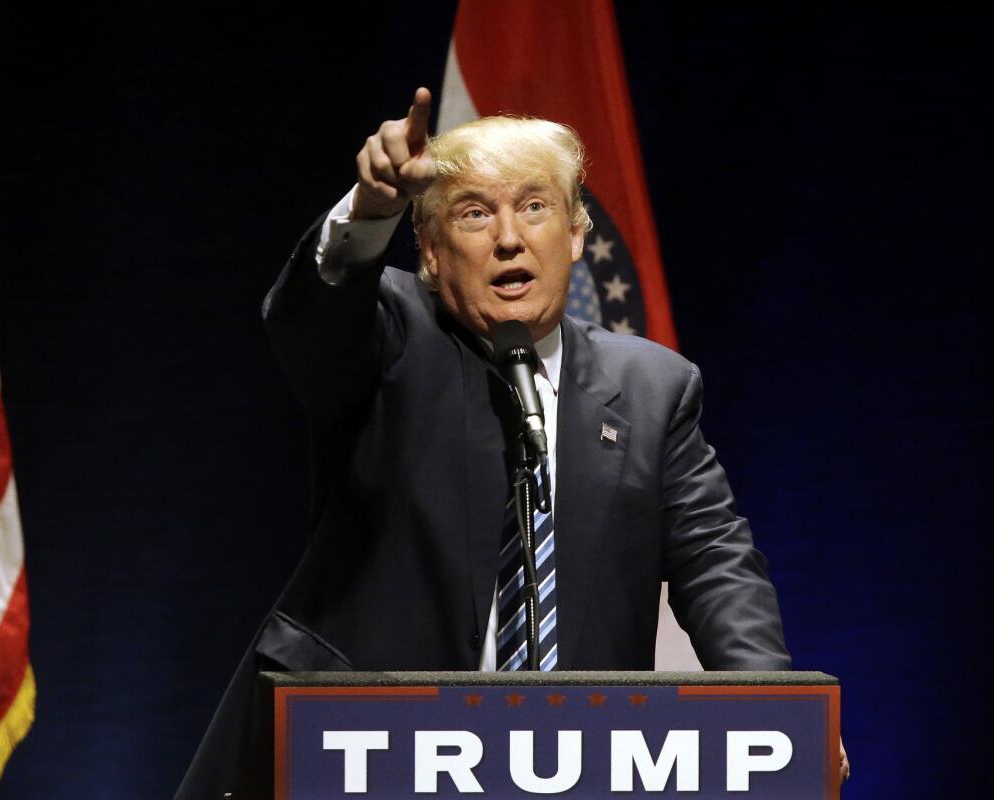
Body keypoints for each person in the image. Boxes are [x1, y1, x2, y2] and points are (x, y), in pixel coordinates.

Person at [176, 87, 831, 799]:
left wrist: (776, 716)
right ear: (428, 249)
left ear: (577, 233)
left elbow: (717, 567)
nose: (509, 238)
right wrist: (370, 211)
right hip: (369, 757)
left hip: (572, 765)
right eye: (474, 213)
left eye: (535, 205)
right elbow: (312, 316)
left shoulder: (652, 388)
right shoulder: (391, 333)